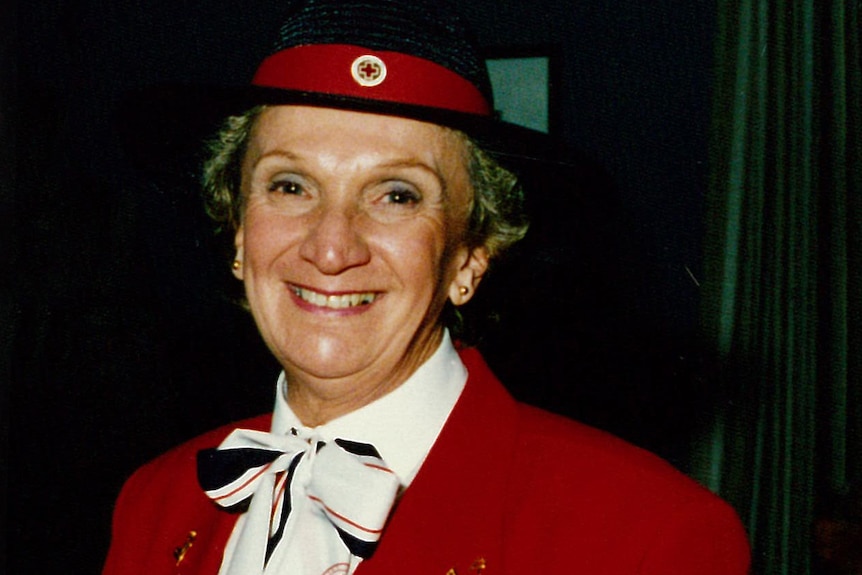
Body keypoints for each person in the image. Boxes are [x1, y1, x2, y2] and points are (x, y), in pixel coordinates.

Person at [103, 1, 751, 573]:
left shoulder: (645, 536)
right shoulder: (157, 501)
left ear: (472, 254)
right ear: (240, 234)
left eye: (396, 194)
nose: (331, 247)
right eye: (290, 185)